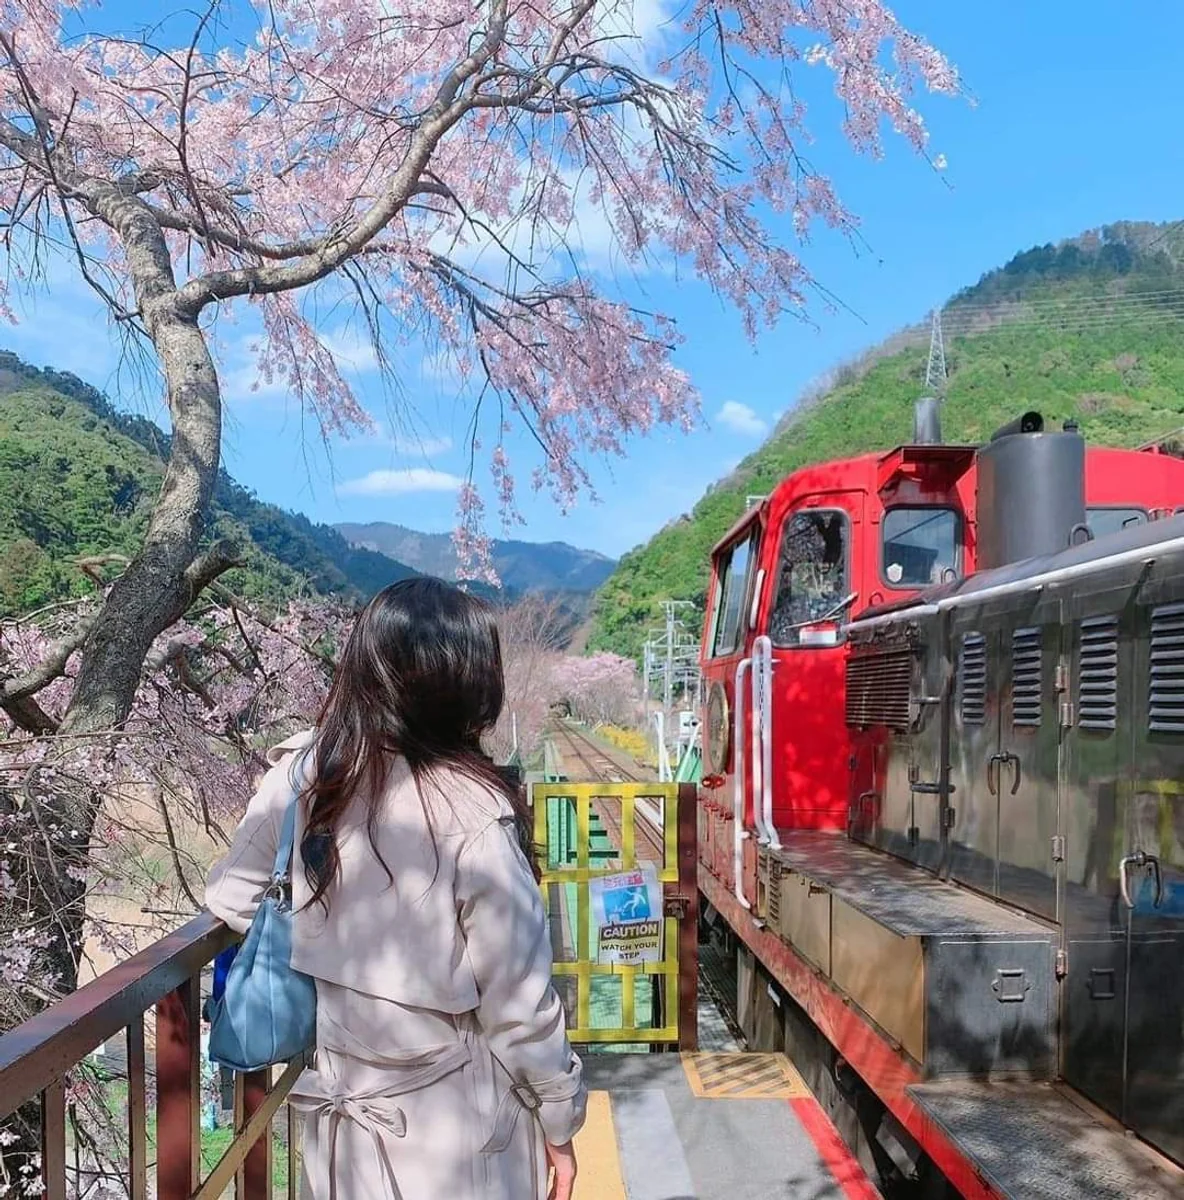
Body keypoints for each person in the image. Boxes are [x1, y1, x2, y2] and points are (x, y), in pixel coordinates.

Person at [206, 578, 586, 1199]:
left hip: (337, 1124)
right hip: (457, 1132)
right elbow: (519, 1005)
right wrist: (560, 1120)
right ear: (466, 686)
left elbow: (229, 898)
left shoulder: (305, 774)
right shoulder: (475, 812)